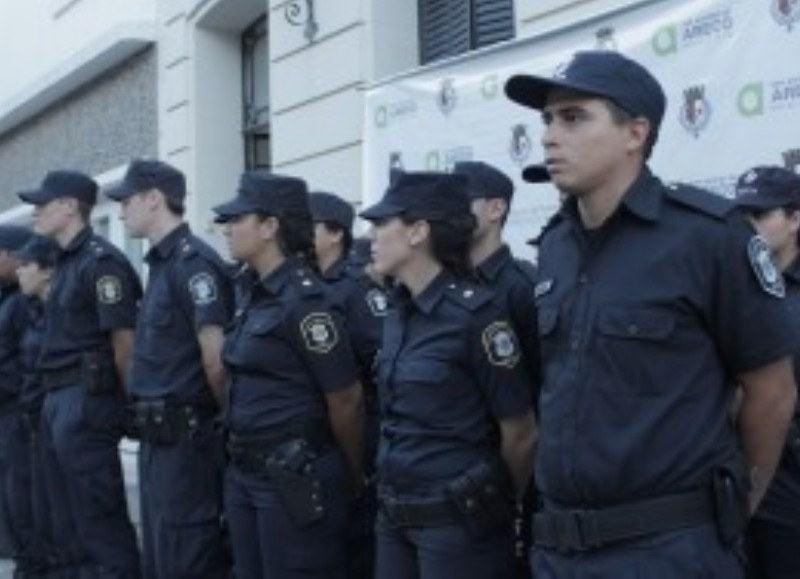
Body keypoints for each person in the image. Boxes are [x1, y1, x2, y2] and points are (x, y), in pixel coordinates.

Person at [505, 50, 798, 577]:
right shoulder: (554, 247)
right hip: (559, 551)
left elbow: (771, 392)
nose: (549, 136)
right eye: (547, 119)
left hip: (668, 552)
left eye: (573, 117)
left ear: (635, 133)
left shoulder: (707, 236)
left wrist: (732, 516)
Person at [359, 171, 537, 578]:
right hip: (394, 514)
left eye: (383, 224)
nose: (371, 236)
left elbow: (521, 433)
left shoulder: (477, 315)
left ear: (418, 231)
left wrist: (495, 505)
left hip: (457, 524)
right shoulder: (397, 311)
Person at [214, 171, 364, 578]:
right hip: (245, 470)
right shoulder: (251, 292)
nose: (227, 229)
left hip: (292, 474)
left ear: (269, 227)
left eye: (237, 219)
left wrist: (351, 473)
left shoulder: (307, 302)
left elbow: (346, 398)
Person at [106, 158, 233, 577]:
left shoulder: (193, 264)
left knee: (186, 555)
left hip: (187, 439)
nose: (121, 211)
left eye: (126, 201)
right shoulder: (162, 265)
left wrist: (224, 428)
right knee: (161, 556)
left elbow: (215, 362)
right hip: (158, 441)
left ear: (154, 199)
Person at [18, 170, 142, 577]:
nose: (35, 212)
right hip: (59, 400)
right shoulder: (66, 262)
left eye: (43, 204)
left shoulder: (101, 263)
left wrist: (130, 404)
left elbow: (124, 343)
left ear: (70, 207)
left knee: (98, 520)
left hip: (86, 401)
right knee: (66, 521)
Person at [454, 160, 541, 579]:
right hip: (456, 471)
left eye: (461, 201)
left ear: (495, 209)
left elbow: (539, 390)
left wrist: (514, 492)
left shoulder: (521, 286)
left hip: (508, 469)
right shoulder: (446, 285)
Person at [311, 191, 388, 579]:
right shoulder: (306, 285)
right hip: (321, 433)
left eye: (310, 225)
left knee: (359, 540)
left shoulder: (357, 287)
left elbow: (379, 359)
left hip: (360, 425)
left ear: (335, 234)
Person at [734, 166, 800, 579]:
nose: (749, 227)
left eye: (760, 215)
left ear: (795, 219)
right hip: (736, 466)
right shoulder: (733, 283)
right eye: (742, 217)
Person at [13, 234, 83, 577]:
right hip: (36, 421)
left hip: (59, 416)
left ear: (46, 271)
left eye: (26, 265)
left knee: (67, 513)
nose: (19, 271)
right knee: (42, 510)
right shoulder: (34, 310)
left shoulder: (60, 313)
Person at [0, 225, 36, 573]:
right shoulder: (6, 298)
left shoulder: (22, 304)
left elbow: (27, 364)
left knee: (21, 502)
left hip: (17, 414)